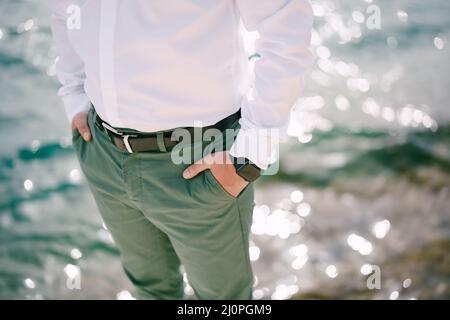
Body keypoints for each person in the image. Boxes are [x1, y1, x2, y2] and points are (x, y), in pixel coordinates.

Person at [49, 0, 313, 299]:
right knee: (151, 291)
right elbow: (64, 12)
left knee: (223, 300)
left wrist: (251, 155)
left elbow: (285, 23)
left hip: (199, 158)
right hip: (103, 152)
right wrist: (73, 94)